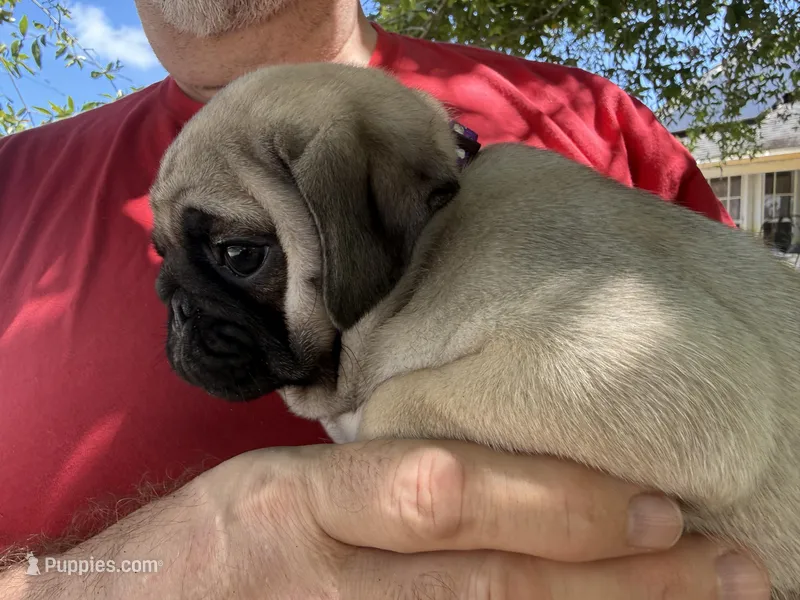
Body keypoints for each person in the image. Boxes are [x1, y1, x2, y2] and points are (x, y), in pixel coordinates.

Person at [0, 0, 768, 597]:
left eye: (239, 255)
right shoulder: (16, 181)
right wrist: (97, 584)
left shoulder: (593, 120)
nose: (185, 311)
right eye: (171, 267)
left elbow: (731, 433)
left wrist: (396, 423)